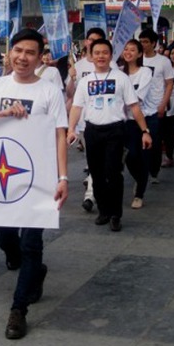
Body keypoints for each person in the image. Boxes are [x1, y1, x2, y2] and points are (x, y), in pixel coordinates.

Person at [0, 28, 68, 340]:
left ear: (40, 56)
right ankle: (35, 272)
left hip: (37, 179)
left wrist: (63, 177)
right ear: (10, 53)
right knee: (5, 239)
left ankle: (18, 310)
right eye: (18, 51)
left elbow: (59, 134)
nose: (23, 57)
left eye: (30, 52)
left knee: (32, 244)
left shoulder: (49, 92)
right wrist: (3, 113)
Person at [68, 39, 152, 231]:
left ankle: (115, 214)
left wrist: (144, 131)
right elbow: (76, 107)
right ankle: (103, 211)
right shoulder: (85, 81)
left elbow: (134, 106)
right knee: (96, 174)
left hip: (115, 130)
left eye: (105, 53)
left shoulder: (121, 78)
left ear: (111, 55)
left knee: (113, 173)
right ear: (91, 55)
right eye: (97, 53)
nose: (101, 56)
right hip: (92, 131)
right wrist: (71, 129)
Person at [66, 27, 109, 212]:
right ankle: (94, 187)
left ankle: (90, 195)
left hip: (107, 122)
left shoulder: (109, 66)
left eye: (98, 40)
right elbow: (70, 95)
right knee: (93, 161)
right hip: (85, 123)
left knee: (100, 162)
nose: (93, 43)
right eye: (91, 40)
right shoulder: (79, 66)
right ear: (86, 42)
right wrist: (72, 78)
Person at [120, 39, 154, 209]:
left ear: (140, 54)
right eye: (125, 49)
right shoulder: (118, 73)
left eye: (132, 50)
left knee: (137, 156)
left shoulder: (145, 72)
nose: (128, 52)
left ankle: (139, 193)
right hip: (122, 121)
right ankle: (141, 179)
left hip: (140, 121)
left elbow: (137, 99)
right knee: (127, 159)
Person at [138, 29, 173, 183]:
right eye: (141, 41)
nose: (143, 45)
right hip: (139, 107)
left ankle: (154, 170)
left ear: (153, 43)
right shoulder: (137, 60)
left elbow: (169, 84)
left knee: (156, 141)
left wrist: (163, 104)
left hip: (156, 106)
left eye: (146, 42)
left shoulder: (163, 61)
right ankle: (142, 169)